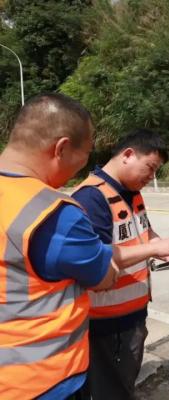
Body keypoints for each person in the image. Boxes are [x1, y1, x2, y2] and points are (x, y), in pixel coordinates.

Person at [0, 93, 119, 399]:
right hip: (42, 382)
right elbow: (103, 275)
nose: (83, 167)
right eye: (86, 154)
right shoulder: (54, 214)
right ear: (62, 148)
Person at [72, 129, 169, 399]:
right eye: (150, 167)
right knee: (110, 391)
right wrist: (154, 248)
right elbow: (97, 257)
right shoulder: (92, 198)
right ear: (127, 155)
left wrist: (168, 251)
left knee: (123, 385)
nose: (151, 177)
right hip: (107, 324)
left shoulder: (132, 193)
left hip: (132, 316)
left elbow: (145, 233)